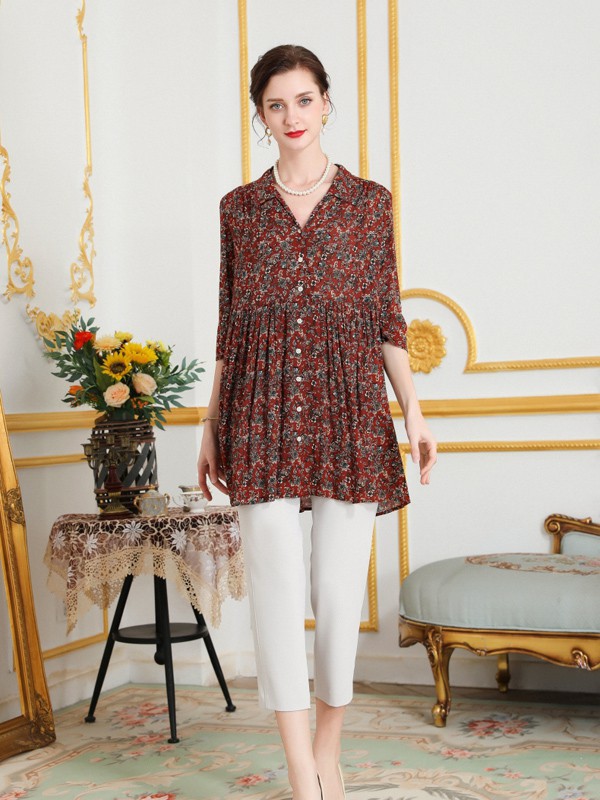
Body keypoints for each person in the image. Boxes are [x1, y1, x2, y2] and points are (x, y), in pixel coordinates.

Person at [198, 44, 436, 800]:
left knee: (336, 597)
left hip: (349, 407)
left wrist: (413, 409)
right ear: (260, 115)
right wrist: (210, 423)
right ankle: (302, 772)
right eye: (276, 104)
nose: (292, 115)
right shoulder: (239, 210)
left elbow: (385, 317)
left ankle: (328, 747)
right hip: (258, 410)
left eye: (304, 99)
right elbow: (232, 326)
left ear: (326, 102)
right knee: (275, 590)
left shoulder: (369, 204)